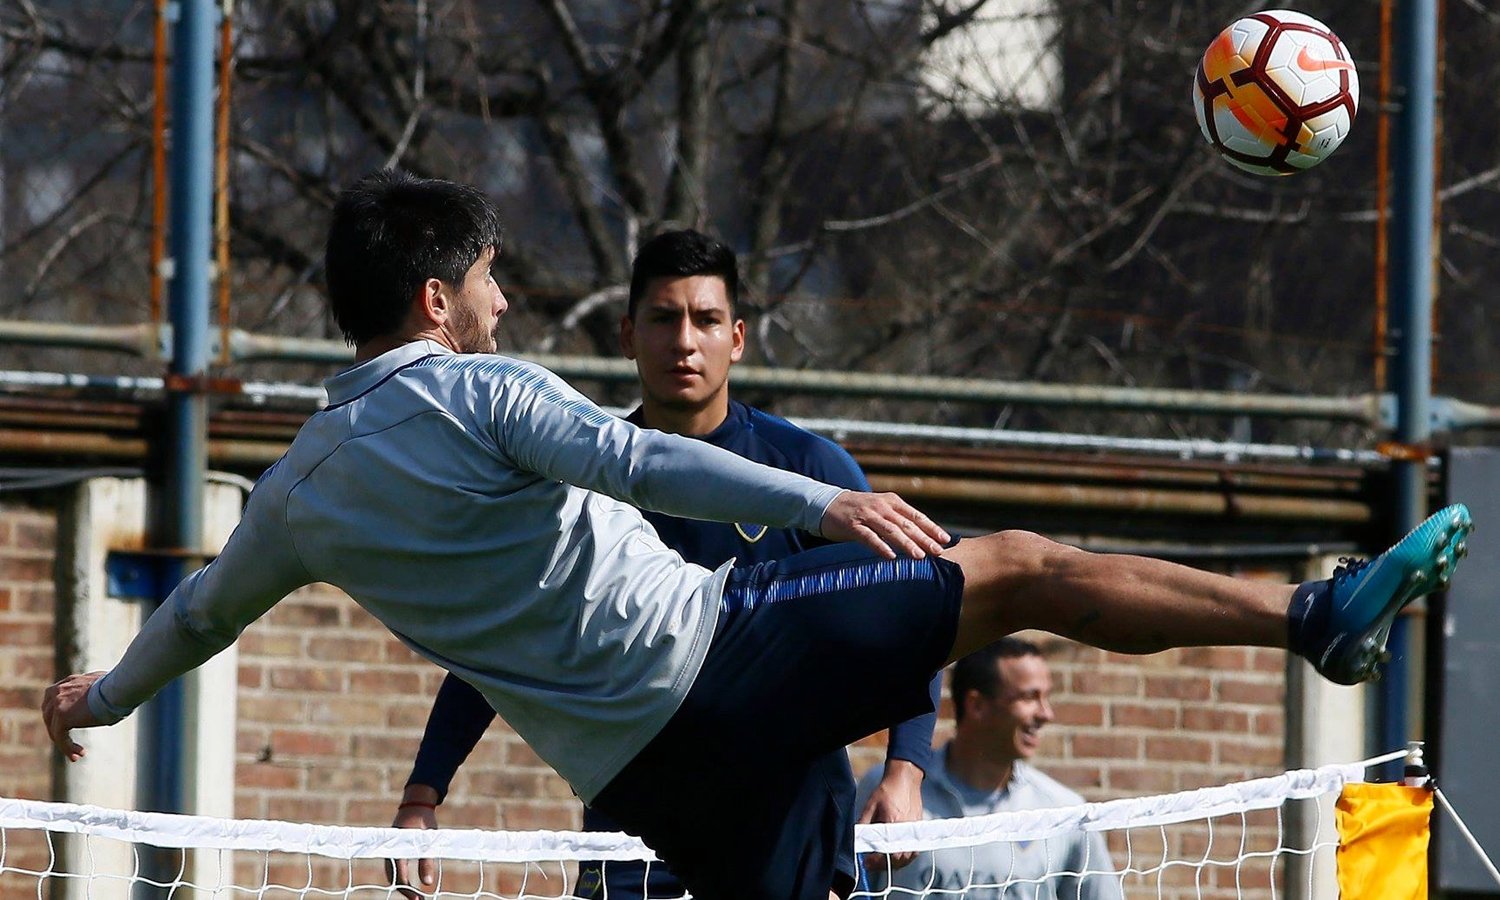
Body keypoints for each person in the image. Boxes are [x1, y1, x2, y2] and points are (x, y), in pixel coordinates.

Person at [41, 169, 1472, 900]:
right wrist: (820, 500)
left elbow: (202, 615)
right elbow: (637, 454)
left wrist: (99, 696)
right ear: (433, 302)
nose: (498, 299)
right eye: (483, 278)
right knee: (1016, 566)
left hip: (647, 776)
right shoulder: (482, 390)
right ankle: (1313, 615)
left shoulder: (297, 488)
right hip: (713, 661)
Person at [390, 227, 940, 899]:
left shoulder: (810, 474)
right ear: (627, 336)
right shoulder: (572, 480)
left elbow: (917, 608)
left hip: (782, 829)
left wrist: (904, 773)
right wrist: (425, 791)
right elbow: (495, 644)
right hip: (632, 835)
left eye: (706, 320)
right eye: (663, 318)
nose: (685, 340)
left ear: (736, 338)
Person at [856, 638, 1122, 900]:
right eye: (1029, 697)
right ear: (977, 705)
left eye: (1046, 697)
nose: (1045, 714)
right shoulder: (888, 794)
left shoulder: (1063, 812)